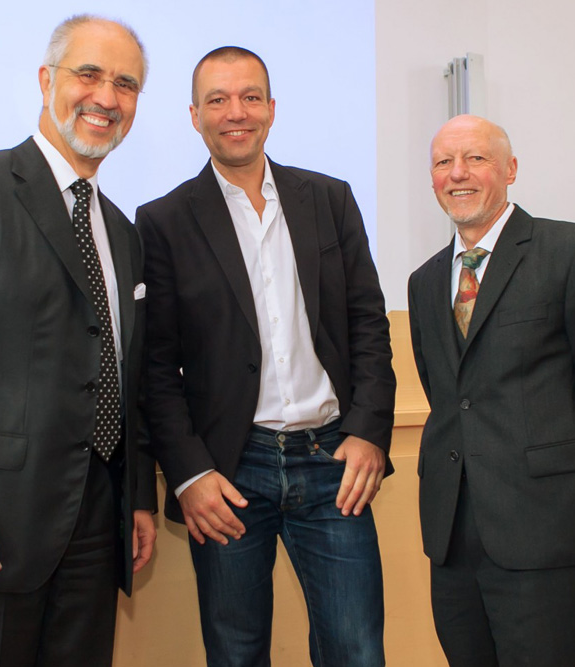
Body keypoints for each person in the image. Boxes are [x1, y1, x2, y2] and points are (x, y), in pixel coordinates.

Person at [0, 15, 156, 667]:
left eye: (125, 84)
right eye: (89, 74)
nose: (106, 96)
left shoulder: (124, 233)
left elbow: (128, 377)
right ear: (47, 81)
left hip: (98, 525)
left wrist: (138, 500)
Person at [136, 46, 395, 667]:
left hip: (332, 461)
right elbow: (154, 369)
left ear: (272, 110)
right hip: (230, 472)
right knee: (236, 652)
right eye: (218, 100)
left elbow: (368, 325)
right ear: (193, 115)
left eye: (250, 97)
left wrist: (368, 431)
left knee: (357, 650)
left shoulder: (329, 200)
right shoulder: (163, 221)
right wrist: (190, 473)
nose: (236, 113)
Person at [408, 114, 575, 666]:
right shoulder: (424, 282)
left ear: (510, 169)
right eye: (444, 162)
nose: (458, 173)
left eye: (476, 158)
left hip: (548, 527)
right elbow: (450, 396)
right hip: (452, 535)